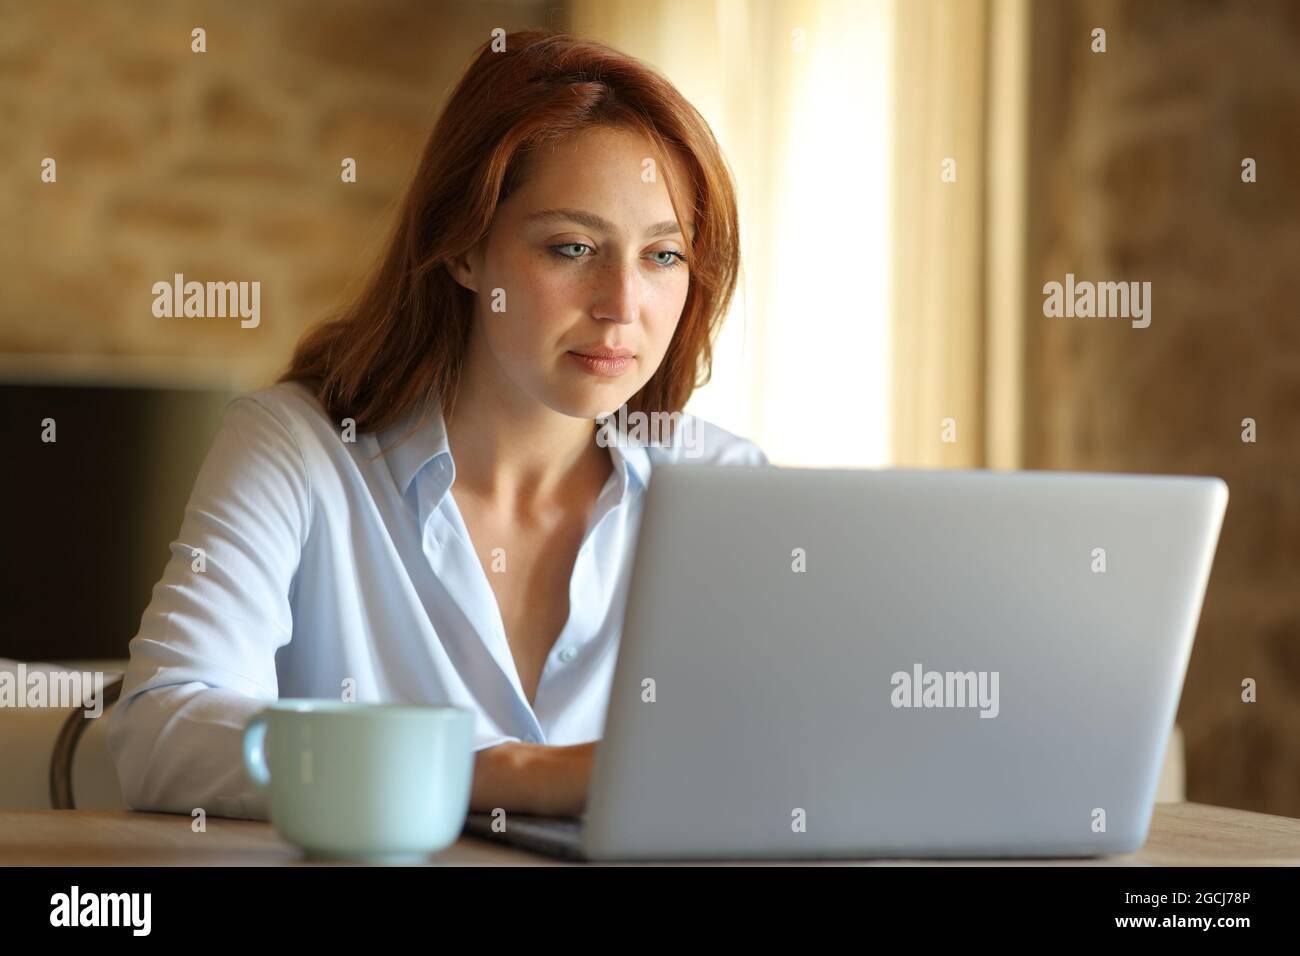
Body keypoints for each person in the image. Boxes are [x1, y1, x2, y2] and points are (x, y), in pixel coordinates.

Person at [107, 29, 767, 821]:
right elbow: (160, 731)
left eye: (663, 257)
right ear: (463, 249)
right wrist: (497, 773)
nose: (622, 307)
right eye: (572, 246)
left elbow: (790, 758)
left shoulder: (723, 488)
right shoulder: (298, 450)